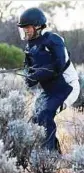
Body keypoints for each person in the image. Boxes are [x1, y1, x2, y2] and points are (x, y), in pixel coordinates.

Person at [17, 8, 80, 152]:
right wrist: (29, 77)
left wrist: (37, 75)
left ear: (38, 26)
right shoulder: (29, 46)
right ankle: (56, 154)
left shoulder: (53, 39)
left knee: (45, 115)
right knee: (36, 119)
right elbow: (28, 70)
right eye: (23, 29)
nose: (25, 32)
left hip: (67, 87)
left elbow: (59, 65)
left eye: (27, 28)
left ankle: (49, 156)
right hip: (50, 91)